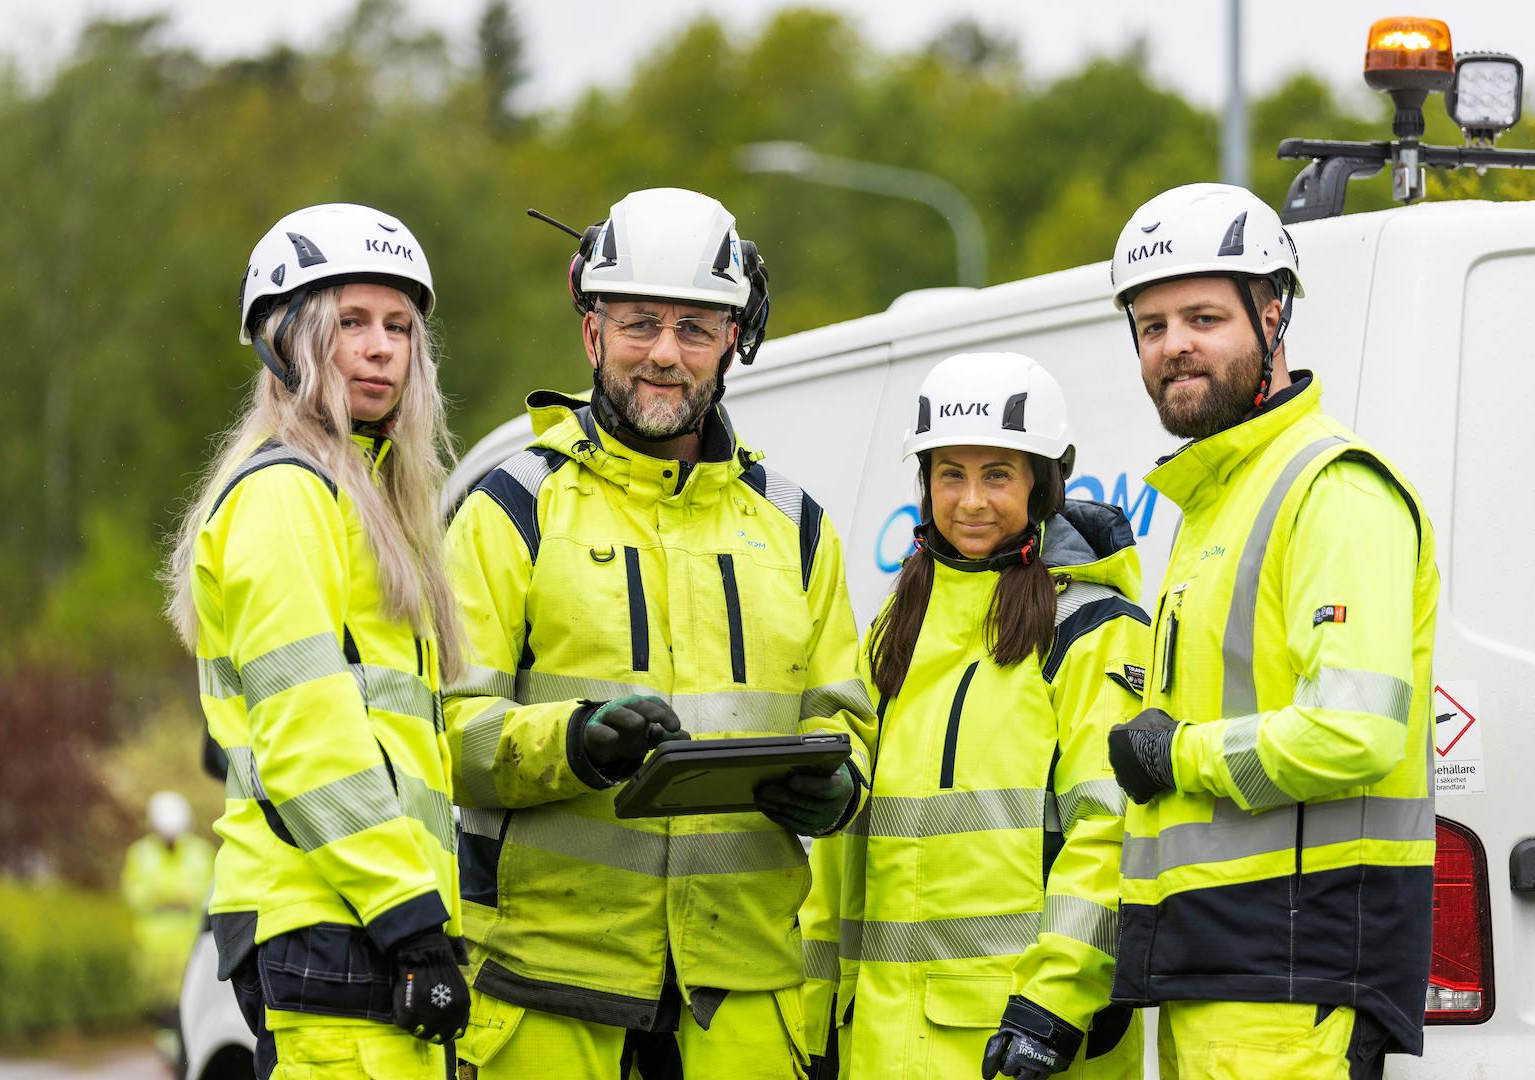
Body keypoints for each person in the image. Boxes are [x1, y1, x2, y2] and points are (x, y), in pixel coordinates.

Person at [442, 186, 878, 1079]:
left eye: (696, 328)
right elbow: (439, 731)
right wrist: (574, 743)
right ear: (593, 330)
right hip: (546, 989)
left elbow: (852, 723)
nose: (666, 357)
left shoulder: (796, 529)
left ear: (733, 341)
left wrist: (840, 790)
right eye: (641, 323)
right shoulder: (511, 510)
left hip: (742, 1000)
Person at [1102, 183, 1439, 1079]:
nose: (1175, 346)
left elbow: (1354, 730)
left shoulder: (1331, 489)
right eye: (1152, 325)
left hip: (1294, 975)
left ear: (1274, 312)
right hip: (1219, 973)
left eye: (1204, 316)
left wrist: (1181, 756)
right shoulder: (1213, 502)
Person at [164, 203, 471, 1080]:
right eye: (350, 322)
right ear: (287, 338)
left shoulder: (367, 501)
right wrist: (411, 922)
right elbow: (310, 741)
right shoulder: (287, 497)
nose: (381, 347)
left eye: (399, 326)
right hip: (334, 919)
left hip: (358, 915)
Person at [800, 353, 1148, 1080]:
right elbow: (842, 854)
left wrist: (1050, 1010)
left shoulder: (1094, 628)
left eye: (998, 474)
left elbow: (1112, 832)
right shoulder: (899, 622)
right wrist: (814, 1013)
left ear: (1043, 483)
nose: (971, 501)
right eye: (949, 474)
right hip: (877, 1040)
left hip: (1019, 1045)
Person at [121, 791, 214, 1014]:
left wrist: (170, 897)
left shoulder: (202, 852)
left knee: (191, 1004)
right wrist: (173, 896)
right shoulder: (140, 853)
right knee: (159, 1006)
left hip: (193, 945)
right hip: (152, 949)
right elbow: (132, 894)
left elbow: (213, 892)